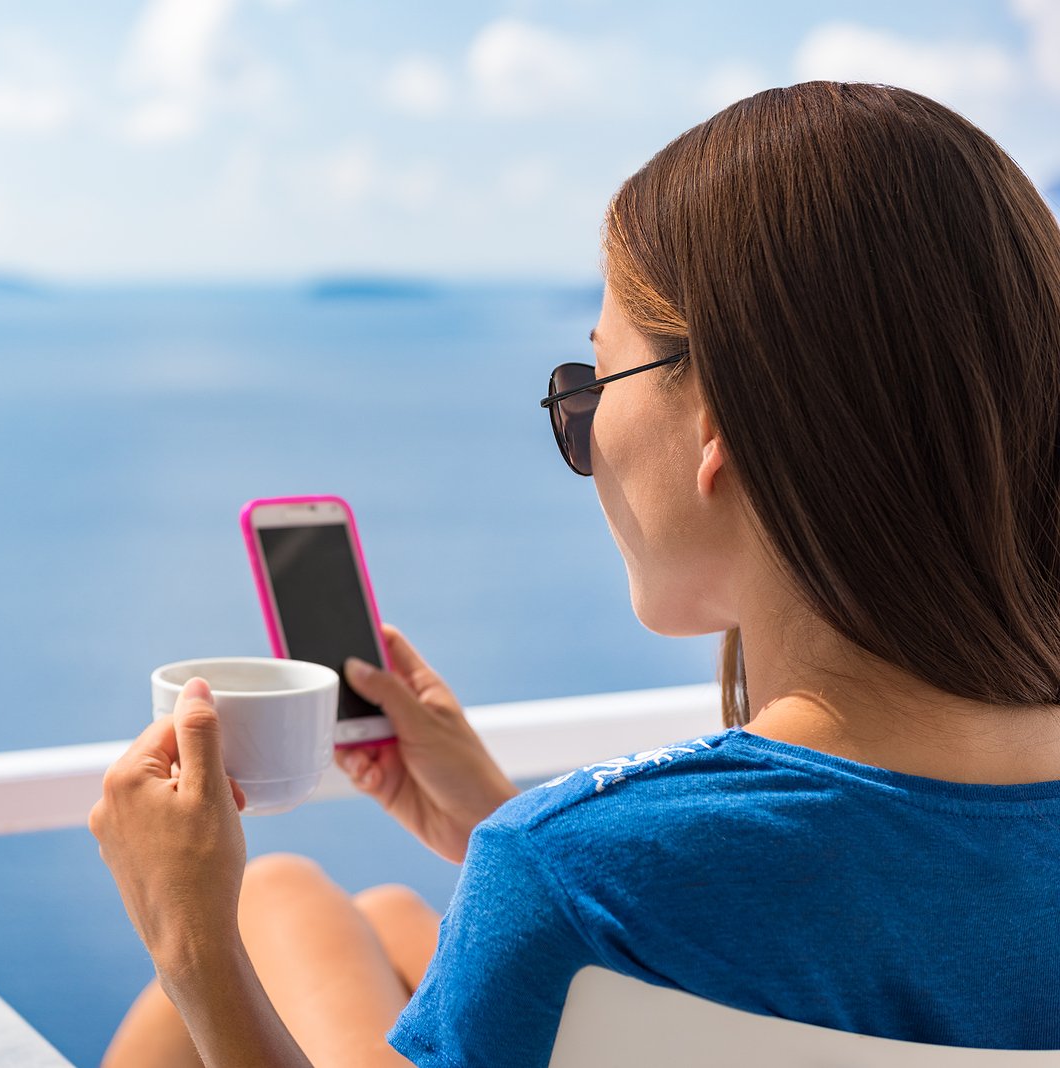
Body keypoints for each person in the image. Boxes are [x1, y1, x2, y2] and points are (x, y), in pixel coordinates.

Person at [88, 80, 1060, 1067]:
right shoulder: (583, 866)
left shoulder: (568, 868)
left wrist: (190, 944)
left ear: (718, 425)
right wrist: (500, 822)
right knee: (379, 912)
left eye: (589, 384)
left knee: (270, 899)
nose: (584, 433)